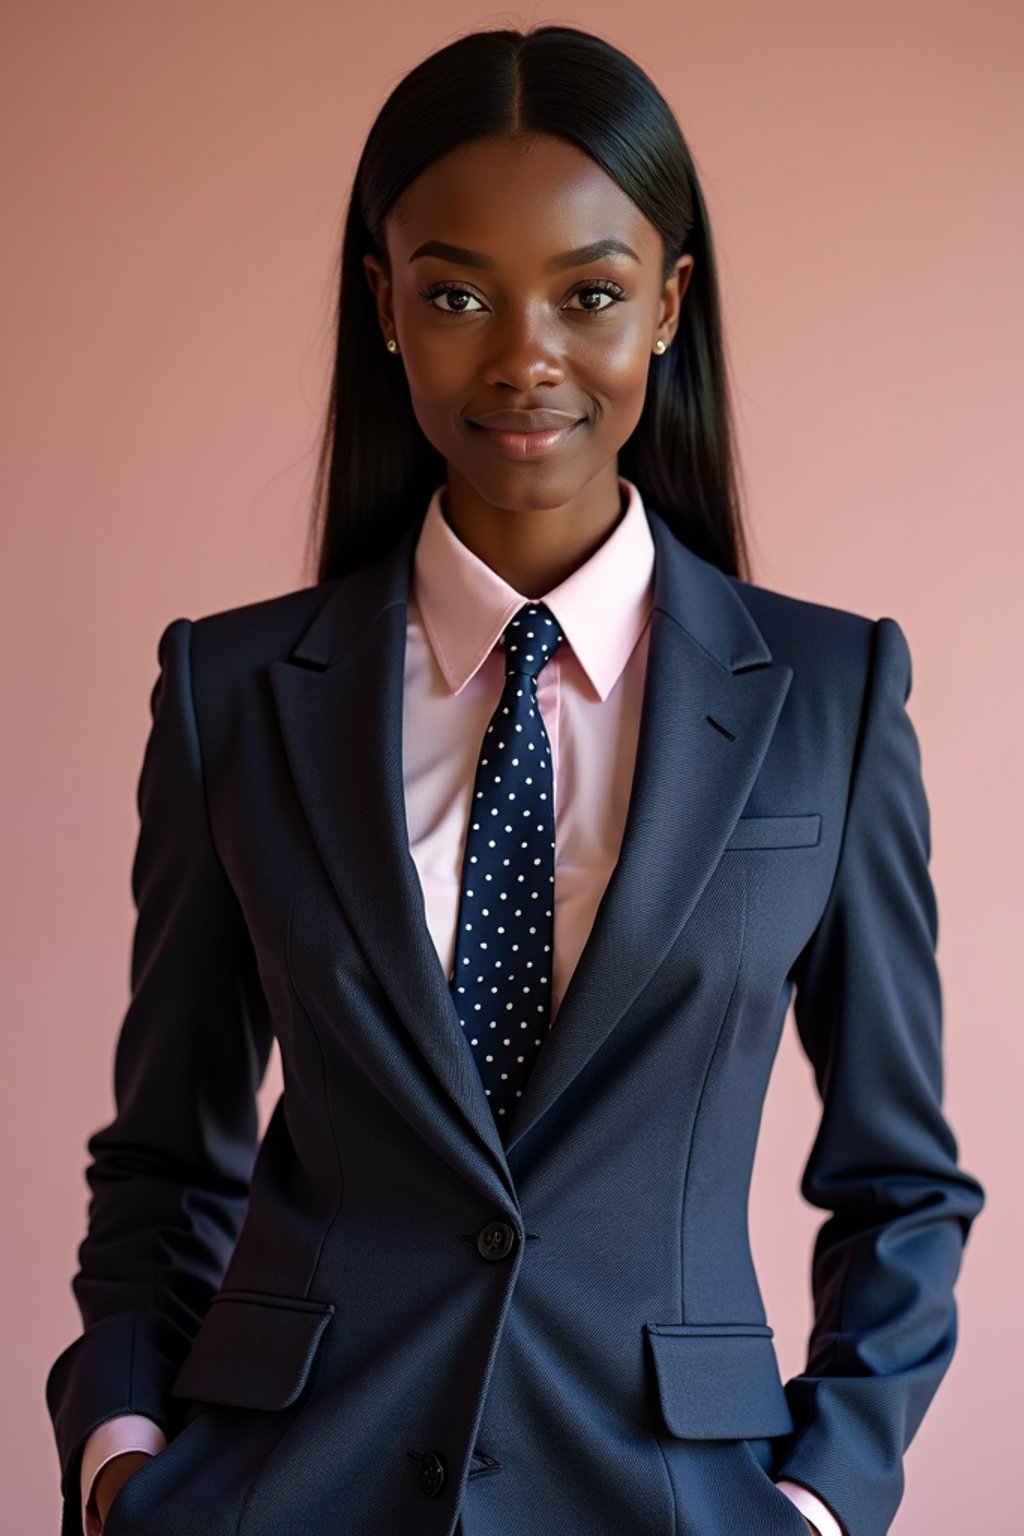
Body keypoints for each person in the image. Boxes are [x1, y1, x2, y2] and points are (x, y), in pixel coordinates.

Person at [45, 23, 984, 1536]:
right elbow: (163, 1156)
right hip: (286, 1489)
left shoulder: (831, 694)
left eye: (591, 293)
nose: (524, 356)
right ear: (387, 310)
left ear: (669, 305)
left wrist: (820, 1500)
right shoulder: (232, 693)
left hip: (669, 1495)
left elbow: (902, 1184)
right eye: (457, 293)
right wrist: (122, 1456)